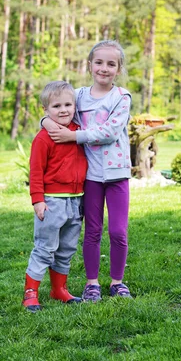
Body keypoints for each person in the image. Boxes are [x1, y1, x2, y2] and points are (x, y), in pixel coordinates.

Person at [42, 40, 132, 302]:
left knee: (118, 231)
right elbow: (55, 107)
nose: (104, 68)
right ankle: (92, 283)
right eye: (99, 62)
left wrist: (74, 137)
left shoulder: (121, 97)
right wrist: (45, 121)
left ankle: (117, 282)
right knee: (92, 230)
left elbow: (109, 132)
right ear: (90, 65)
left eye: (111, 64)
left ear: (118, 69)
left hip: (117, 175)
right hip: (90, 176)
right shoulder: (78, 95)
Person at [22, 81, 88, 312]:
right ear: (46, 111)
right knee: (45, 248)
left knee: (67, 248)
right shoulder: (44, 138)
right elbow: (36, 171)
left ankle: (59, 289)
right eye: (56, 106)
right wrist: (37, 200)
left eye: (68, 104)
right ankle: (31, 292)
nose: (63, 110)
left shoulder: (79, 132)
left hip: (75, 200)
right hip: (51, 202)